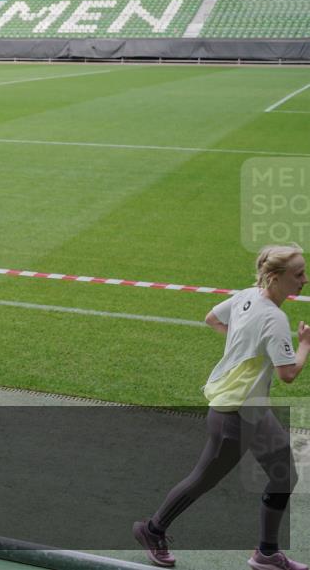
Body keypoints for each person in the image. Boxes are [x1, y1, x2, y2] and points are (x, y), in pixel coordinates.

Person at [133, 244, 309, 570]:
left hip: (253, 408)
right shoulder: (274, 318)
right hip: (234, 413)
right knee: (203, 478)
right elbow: (288, 374)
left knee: (283, 474)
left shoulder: (247, 295)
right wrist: (305, 346)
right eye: (298, 274)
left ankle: (267, 554)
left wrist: (241, 344)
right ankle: (152, 529)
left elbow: (212, 318)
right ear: (274, 277)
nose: (305, 279)